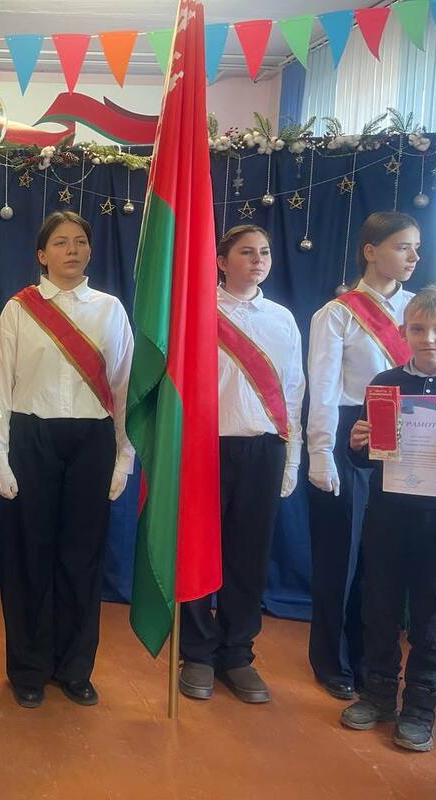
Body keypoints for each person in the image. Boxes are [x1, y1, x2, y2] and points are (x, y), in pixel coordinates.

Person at [0, 211, 134, 709]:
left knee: (82, 558)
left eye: (80, 241)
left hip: (93, 441)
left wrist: (124, 457)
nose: (72, 250)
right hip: (31, 438)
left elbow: (124, 388)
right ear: (41, 254)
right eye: (60, 242)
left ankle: (75, 667)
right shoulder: (18, 310)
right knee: (28, 557)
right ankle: (28, 668)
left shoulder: (110, 310)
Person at [177, 225, 304, 704]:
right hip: (205, 448)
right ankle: (196, 652)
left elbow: (294, 390)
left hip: (263, 449)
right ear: (221, 261)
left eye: (264, 252)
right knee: (198, 550)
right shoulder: (196, 312)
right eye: (247, 252)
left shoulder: (282, 319)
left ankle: (236, 654)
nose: (258, 260)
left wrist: (291, 458)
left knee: (248, 558)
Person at [307, 212, 419, 700]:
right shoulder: (337, 314)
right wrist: (320, 450)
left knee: (385, 557)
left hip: (410, 431)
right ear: (371, 251)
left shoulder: (419, 310)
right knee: (342, 555)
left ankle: (374, 658)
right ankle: (332, 659)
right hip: (350, 431)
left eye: (416, 247)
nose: (413, 257)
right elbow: (324, 389)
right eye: (402, 247)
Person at [340, 285, 436, 752]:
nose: (429, 338)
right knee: (379, 606)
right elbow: (368, 460)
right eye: (419, 329)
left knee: (433, 614)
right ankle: (379, 694)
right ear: (404, 333)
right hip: (387, 516)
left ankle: (421, 708)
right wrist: (357, 442)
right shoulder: (386, 382)